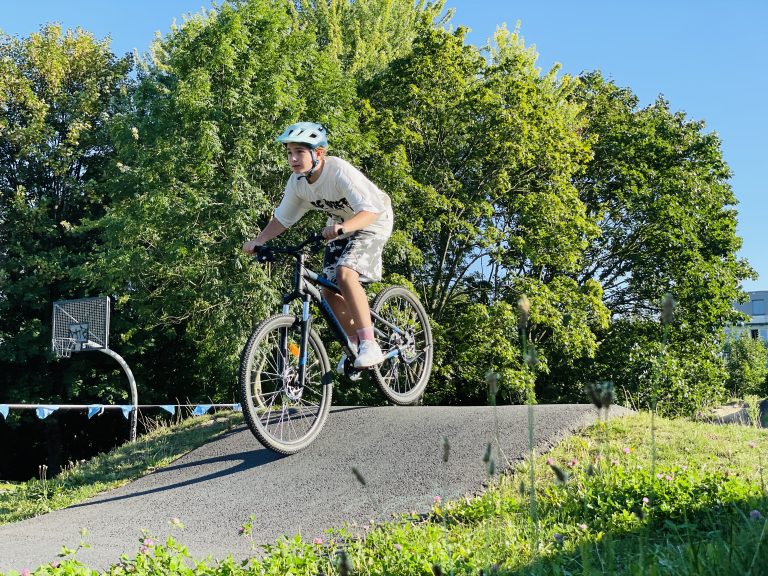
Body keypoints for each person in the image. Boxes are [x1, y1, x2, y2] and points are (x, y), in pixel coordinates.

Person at [242, 121, 393, 370]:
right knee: (327, 290)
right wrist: (259, 241)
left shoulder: (338, 172)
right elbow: (282, 219)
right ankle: (354, 344)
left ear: (318, 153)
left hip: (373, 220)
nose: (293, 159)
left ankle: (370, 343)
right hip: (341, 227)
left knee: (345, 273)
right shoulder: (298, 183)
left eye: (299, 152)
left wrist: (343, 228)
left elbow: (369, 211)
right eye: (289, 153)